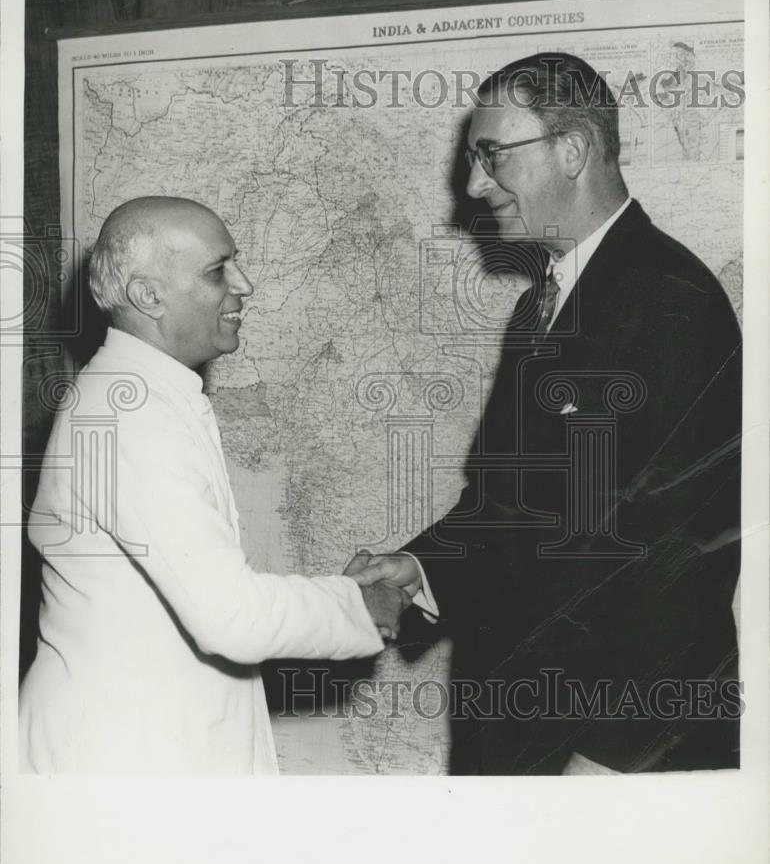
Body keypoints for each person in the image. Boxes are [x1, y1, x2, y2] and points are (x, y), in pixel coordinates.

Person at [348, 52, 742, 775]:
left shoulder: (669, 300)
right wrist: (420, 569)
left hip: (610, 755)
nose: (473, 185)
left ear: (572, 150)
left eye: (493, 154)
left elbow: (683, 556)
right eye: (473, 158)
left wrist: (614, 757)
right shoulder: (542, 307)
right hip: (528, 736)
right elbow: (514, 509)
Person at [19, 196, 407, 774]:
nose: (243, 283)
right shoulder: (134, 414)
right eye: (217, 270)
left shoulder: (146, 395)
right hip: (119, 766)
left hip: (143, 748)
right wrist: (355, 604)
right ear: (149, 296)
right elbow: (231, 616)